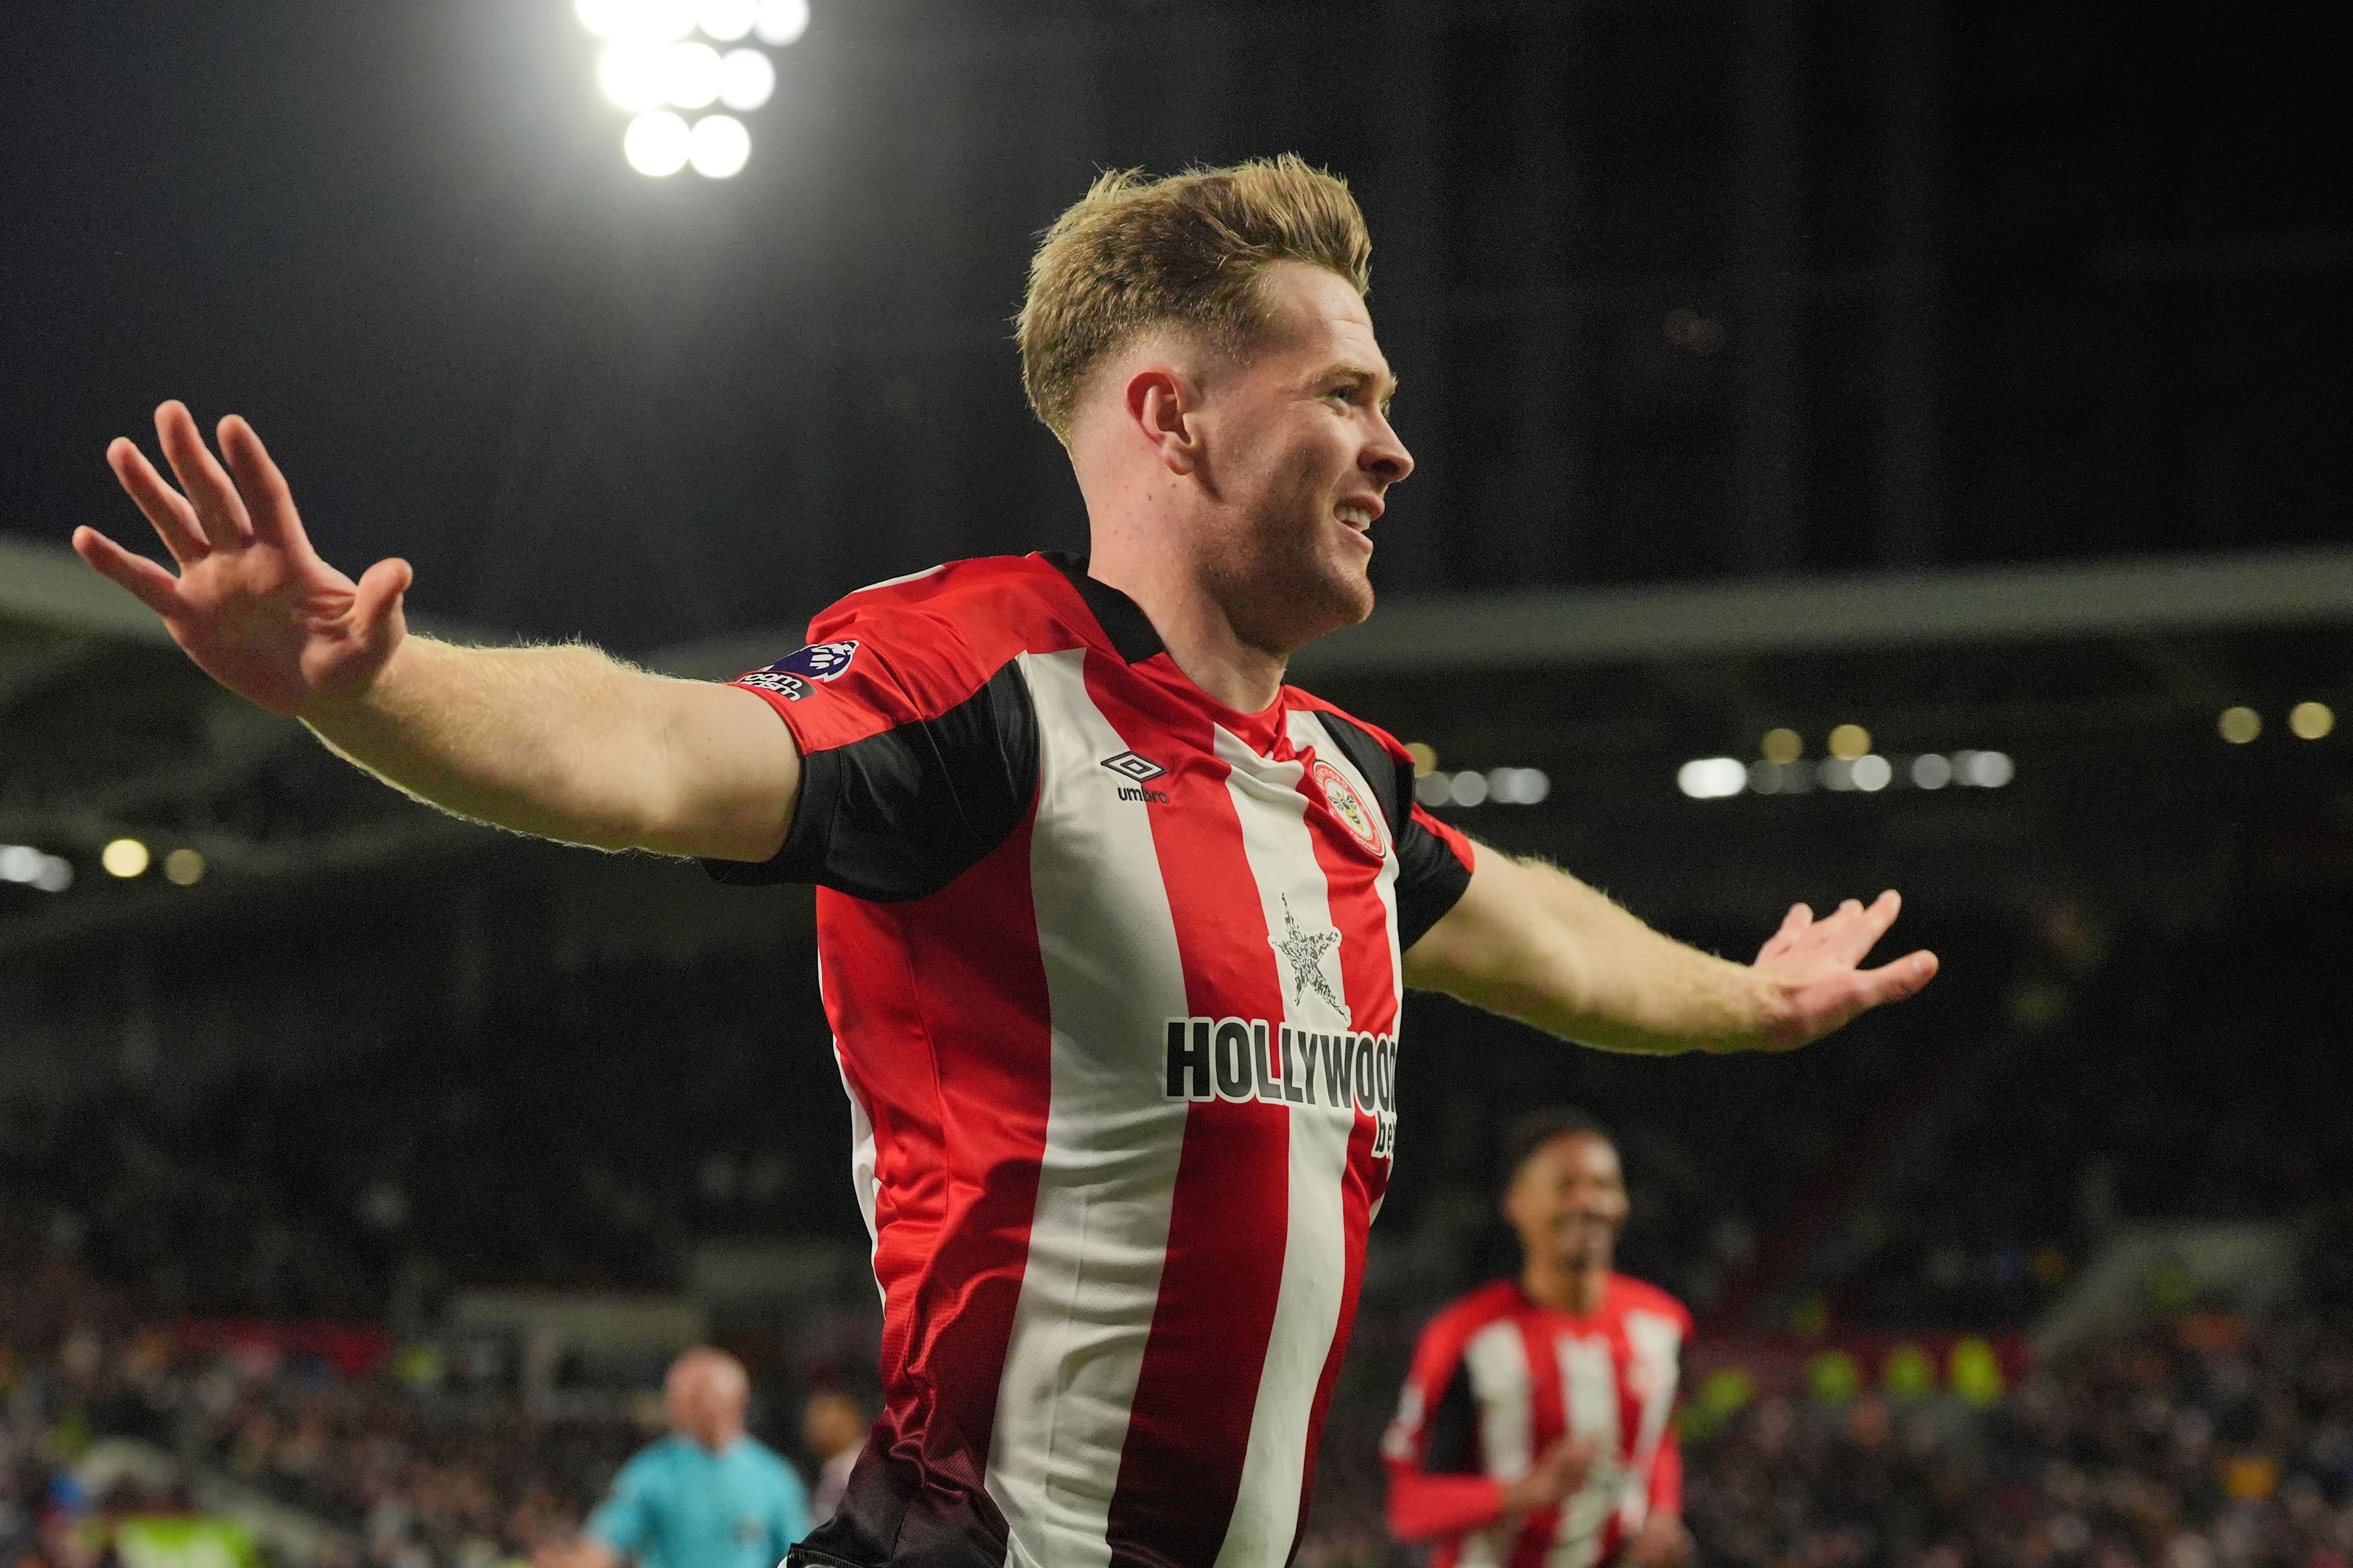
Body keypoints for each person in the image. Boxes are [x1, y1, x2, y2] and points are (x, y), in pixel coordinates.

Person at [73, 156, 1937, 1567]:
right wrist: (375, 685)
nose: (1396, 449)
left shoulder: (1346, 796)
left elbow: (1548, 938)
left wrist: (1752, 1003)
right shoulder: (981, 684)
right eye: (1345, 397)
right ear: (1167, 411)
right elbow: (659, 746)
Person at [1384, 1110, 1695, 1568]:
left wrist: (1663, 1513)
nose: (1587, 1202)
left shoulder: (1664, 1324)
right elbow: (1407, 1508)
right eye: (1565, 1185)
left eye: (1604, 1185)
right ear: (1515, 1203)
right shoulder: (1466, 1338)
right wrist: (1523, 1492)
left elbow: (1659, 1437)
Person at [537, 1348, 808, 1568]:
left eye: (698, 1397)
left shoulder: (773, 1477)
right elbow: (606, 1541)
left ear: (737, 1400)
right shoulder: (651, 1472)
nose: (682, 1408)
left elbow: (800, 1556)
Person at [801, 1387, 875, 1529]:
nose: (815, 1424)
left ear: (851, 1420)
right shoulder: (835, 1469)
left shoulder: (858, 1469)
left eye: (824, 1414)